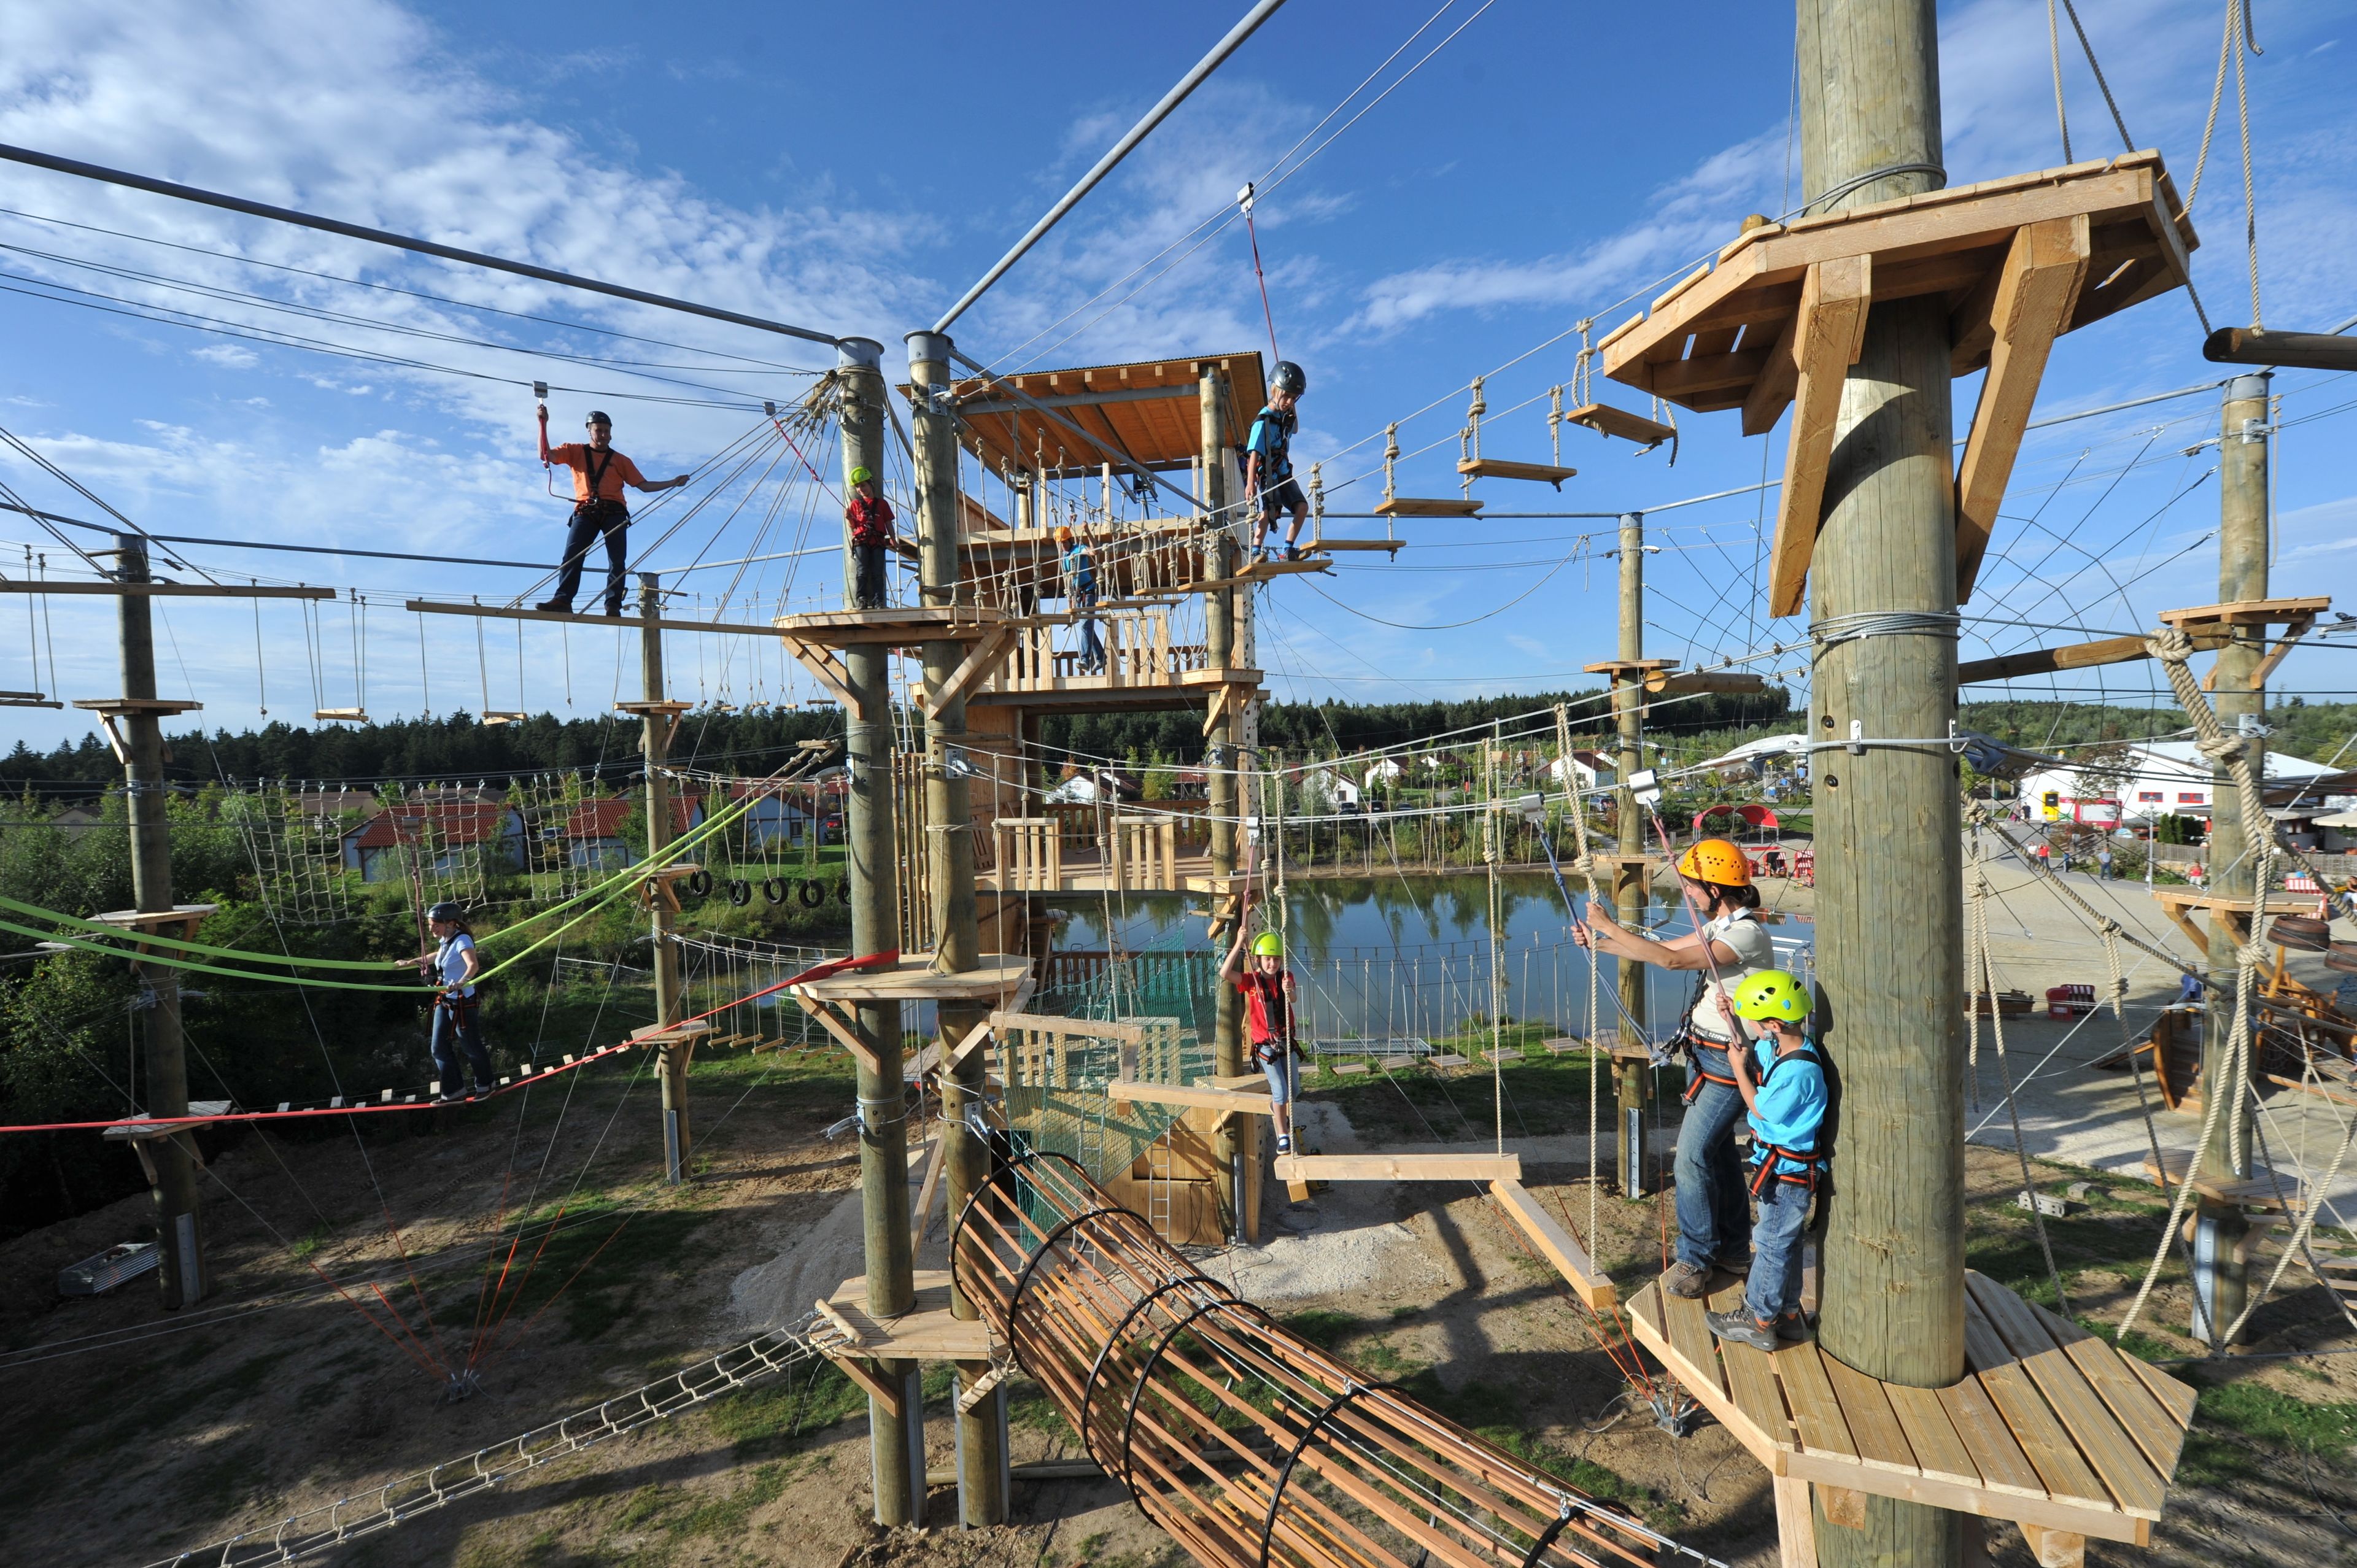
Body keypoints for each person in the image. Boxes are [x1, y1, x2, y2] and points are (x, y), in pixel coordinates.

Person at [1573, 837, 1774, 1298]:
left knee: (1691, 1158)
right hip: (1704, 1053)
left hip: (1729, 1061)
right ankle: (1735, 1249)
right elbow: (1662, 947)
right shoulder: (1726, 923)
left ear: (1715, 887)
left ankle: (1698, 1257)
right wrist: (1600, 941)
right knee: (1718, 1156)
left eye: (1691, 885)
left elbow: (1670, 960)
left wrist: (1607, 923)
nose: (1687, 893)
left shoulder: (1744, 934)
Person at [1705, 969, 1828, 1352]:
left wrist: (1738, 1069)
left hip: (1788, 1177)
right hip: (1781, 1169)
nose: (1755, 1028)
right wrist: (1733, 1023)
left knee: (1771, 1245)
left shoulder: (1801, 1071)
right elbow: (1754, 1052)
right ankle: (1789, 1314)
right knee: (1784, 1245)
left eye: (1759, 1022)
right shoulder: (1783, 1049)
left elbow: (1760, 1105)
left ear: (1774, 1023)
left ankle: (1757, 1318)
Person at [536, 406, 690, 615]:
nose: (603, 435)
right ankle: (563, 600)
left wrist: (673, 482)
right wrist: (542, 423)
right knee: (572, 555)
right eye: (598, 430)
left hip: (614, 512)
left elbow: (643, 486)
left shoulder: (621, 460)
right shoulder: (575, 451)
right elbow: (546, 454)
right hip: (586, 511)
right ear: (589, 431)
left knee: (617, 560)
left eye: (606, 431)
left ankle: (613, 604)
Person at [1221, 901, 1303, 1154]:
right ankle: (1282, 1134)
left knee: (1294, 1091)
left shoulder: (1285, 977)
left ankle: (1277, 1110)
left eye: (1276, 959)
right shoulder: (1250, 981)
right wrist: (1238, 944)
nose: (1273, 964)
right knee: (1279, 1091)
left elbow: (1293, 999)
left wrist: (1290, 992)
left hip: (1285, 1040)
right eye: (1268, 959)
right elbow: (1225, 973)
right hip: (1265, 1045)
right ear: (1258, 960)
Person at [412, 902, 491, 1100]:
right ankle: (454, 1091)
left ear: (452, 923)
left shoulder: (462, 940)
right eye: (430, 925)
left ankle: (486, 1085)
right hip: (446, 1000)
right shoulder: (447, 940)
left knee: (470, 1045)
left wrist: (462, 981)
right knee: (438, 1047)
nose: (431, 929)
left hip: (463, 1002)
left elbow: (473, 965)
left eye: (435, 925)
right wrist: (411, 962)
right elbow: (439, 956)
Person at [1244, 360, 1310, 562]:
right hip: (1269, 474)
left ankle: (1287, 550)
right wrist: (1250, 483)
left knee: (1302, 508)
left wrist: (1292, 410)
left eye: (1293, 398)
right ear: (1275, 390)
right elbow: (1254, 452)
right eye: (1286, 396)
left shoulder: (1286, 418)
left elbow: (1295, 429)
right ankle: (1256, 551)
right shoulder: (1263, 421)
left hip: (1284, 473)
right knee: (1267, 512)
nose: (1289, 402)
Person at [845, 465, 896, 609]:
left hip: (878, 541)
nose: (861, 489)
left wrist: (893, 539)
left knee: (877, 573)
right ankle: (862, 599)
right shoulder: (855, 504)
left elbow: (888, 523)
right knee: (862, 572)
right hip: (862, 541)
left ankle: (878, 600)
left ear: (870, 484)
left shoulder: (882, 504)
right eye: (858, 487)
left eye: (863, 485)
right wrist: (849, 518)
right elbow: (853, 526)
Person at [1057, 524, 1105, 673]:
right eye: (1061, 544)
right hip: (1077, 594)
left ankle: (1085, 659)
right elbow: (1069, 579)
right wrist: (1071, 598)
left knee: (1085, 626)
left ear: (1070, 541)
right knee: (1087, 626)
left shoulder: (1078, 550)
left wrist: (1088, 532)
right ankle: (1101, 657)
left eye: (1065, 543)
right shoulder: (1064, 555)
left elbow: (1095, 552)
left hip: (1089, 591)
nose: (1063, 546)